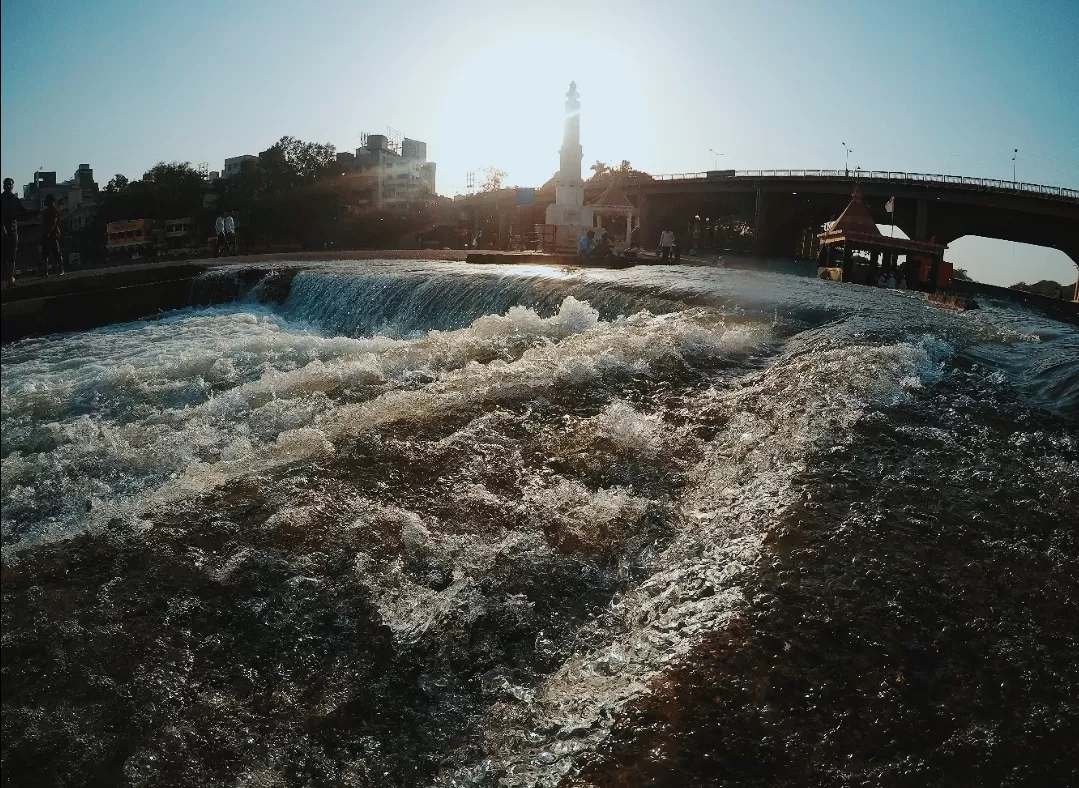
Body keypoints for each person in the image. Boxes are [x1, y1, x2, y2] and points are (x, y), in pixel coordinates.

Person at [2, 177, 30, 286]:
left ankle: (9, 279)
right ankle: (8, 278)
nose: (8, 186)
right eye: (6, 184)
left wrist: (36, 214)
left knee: (11, 255)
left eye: (10, 184)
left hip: (12, 230)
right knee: (6, 255)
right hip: (5, 230)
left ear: (13, 186)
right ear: (3, 185)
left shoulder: (15, 199)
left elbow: (24, 213)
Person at [40, 194, 64, 276]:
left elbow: (53, 222)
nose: (44, 201)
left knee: (56, 252)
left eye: (46, 200)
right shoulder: (48, 211)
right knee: (45, 252)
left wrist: (48, 232)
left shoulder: (53, 210)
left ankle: (61, 269)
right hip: (47, 233)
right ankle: (45, 270)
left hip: (52, 233)